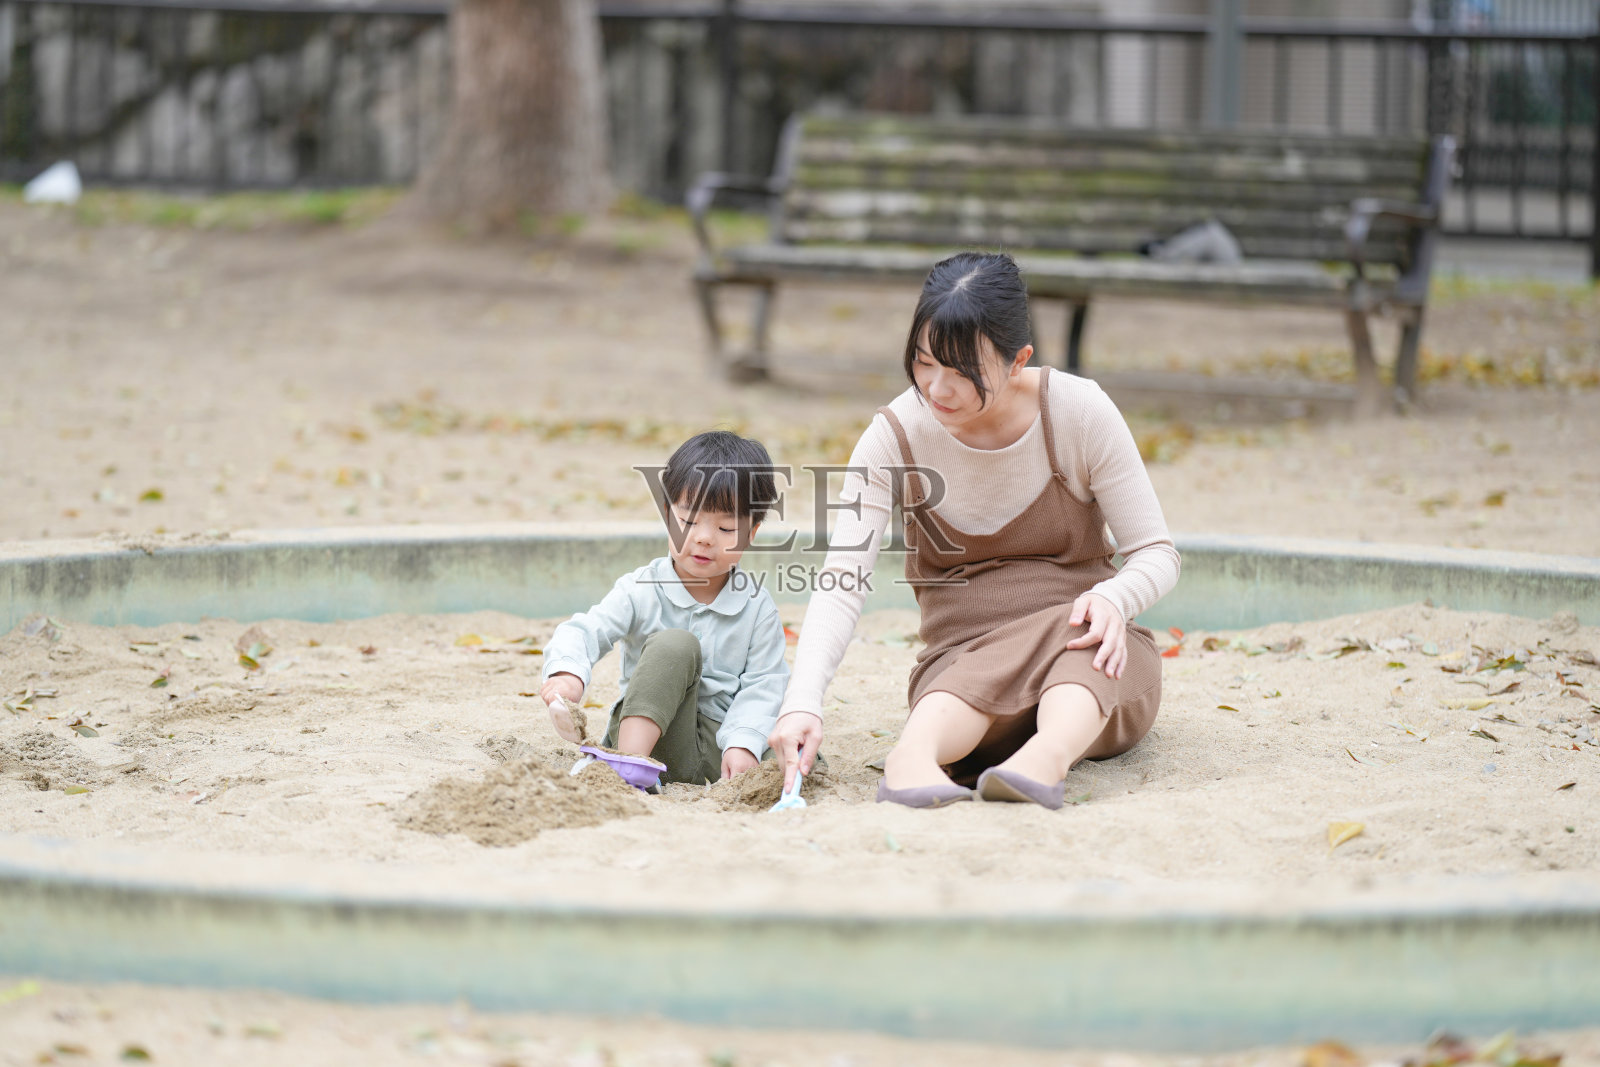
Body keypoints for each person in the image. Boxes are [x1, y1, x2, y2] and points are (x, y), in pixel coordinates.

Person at [769, 251, 1180, 809]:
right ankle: (911, 758)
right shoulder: (895, 437)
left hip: (1082, 639)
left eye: (963, 371)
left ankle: (1042, 762)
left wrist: (1112, 597)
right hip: (964, 662)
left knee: (1093, 648)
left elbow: (1156, 552)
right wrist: (803, 702)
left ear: (1019, 361)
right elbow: (842, 578)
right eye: (923, 362)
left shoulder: (1079, 412)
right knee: (963, 685)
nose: (937, 388)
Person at [539, 431, 788, 783]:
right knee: (676, 644)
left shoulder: (756, 606)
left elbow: (766, 683)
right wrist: (567, 674)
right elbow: (585, 630)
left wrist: (744, 743)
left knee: (795, 746)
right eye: (688, 521)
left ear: (753, 532)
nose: (703, 537)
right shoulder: (641, 589)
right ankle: (626, 768)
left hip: (719, 753)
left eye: (726, 527)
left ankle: (742, 756)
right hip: (648, 742)